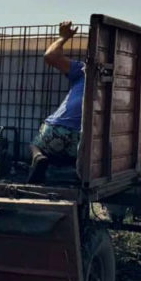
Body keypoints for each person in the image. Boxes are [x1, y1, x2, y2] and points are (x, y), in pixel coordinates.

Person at [28, 21, 85, 184]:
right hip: (84, 141)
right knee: (69, 155)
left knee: (34, 145)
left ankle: (38, 156)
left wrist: (63, 37)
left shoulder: (84, 70)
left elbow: (50, 56)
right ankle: (71, 168)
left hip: (56, 131)